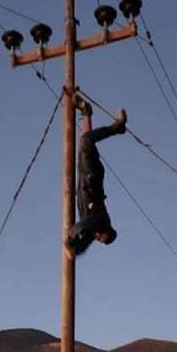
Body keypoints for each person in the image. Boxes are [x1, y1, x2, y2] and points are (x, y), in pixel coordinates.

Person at [66, 106, 127, 257]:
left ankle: (87, 113)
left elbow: (81, 247)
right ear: (105, 230)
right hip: (92, 176)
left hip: (84, 180)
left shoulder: (95, 230)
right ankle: (116, 128)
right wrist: (69, 240)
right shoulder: (99, 220)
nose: (97, 238)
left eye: (99, 240)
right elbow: (77, 229)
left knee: (85, 145)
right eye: (101, 237)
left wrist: (72, 250)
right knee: (86, 141)